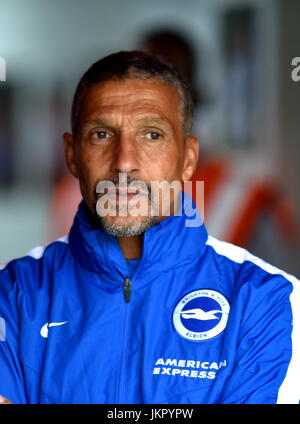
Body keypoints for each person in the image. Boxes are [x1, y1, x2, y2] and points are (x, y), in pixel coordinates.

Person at [0, 51, 299, 404]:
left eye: (152, 135)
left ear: (188, 160)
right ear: (72, 155)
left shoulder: (270, 299)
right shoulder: (14, 294)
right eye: (101, 134)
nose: (124, 161)